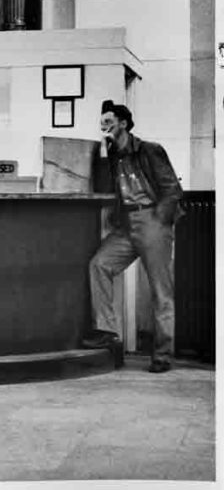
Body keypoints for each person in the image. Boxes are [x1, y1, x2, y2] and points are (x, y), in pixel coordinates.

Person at [82, 102, 183, 373]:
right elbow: (103, 188)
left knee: (161, 290)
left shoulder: (149, 149)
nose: (104, 126)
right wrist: (104, 152)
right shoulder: (112, 155)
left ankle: (162, 355)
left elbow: (172, 189)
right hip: (126, 223)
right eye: (102, 122)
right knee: (99, 264)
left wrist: (160, 221)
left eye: (109, 122)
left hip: (151, 220)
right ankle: (106, 331)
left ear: (123, 123)